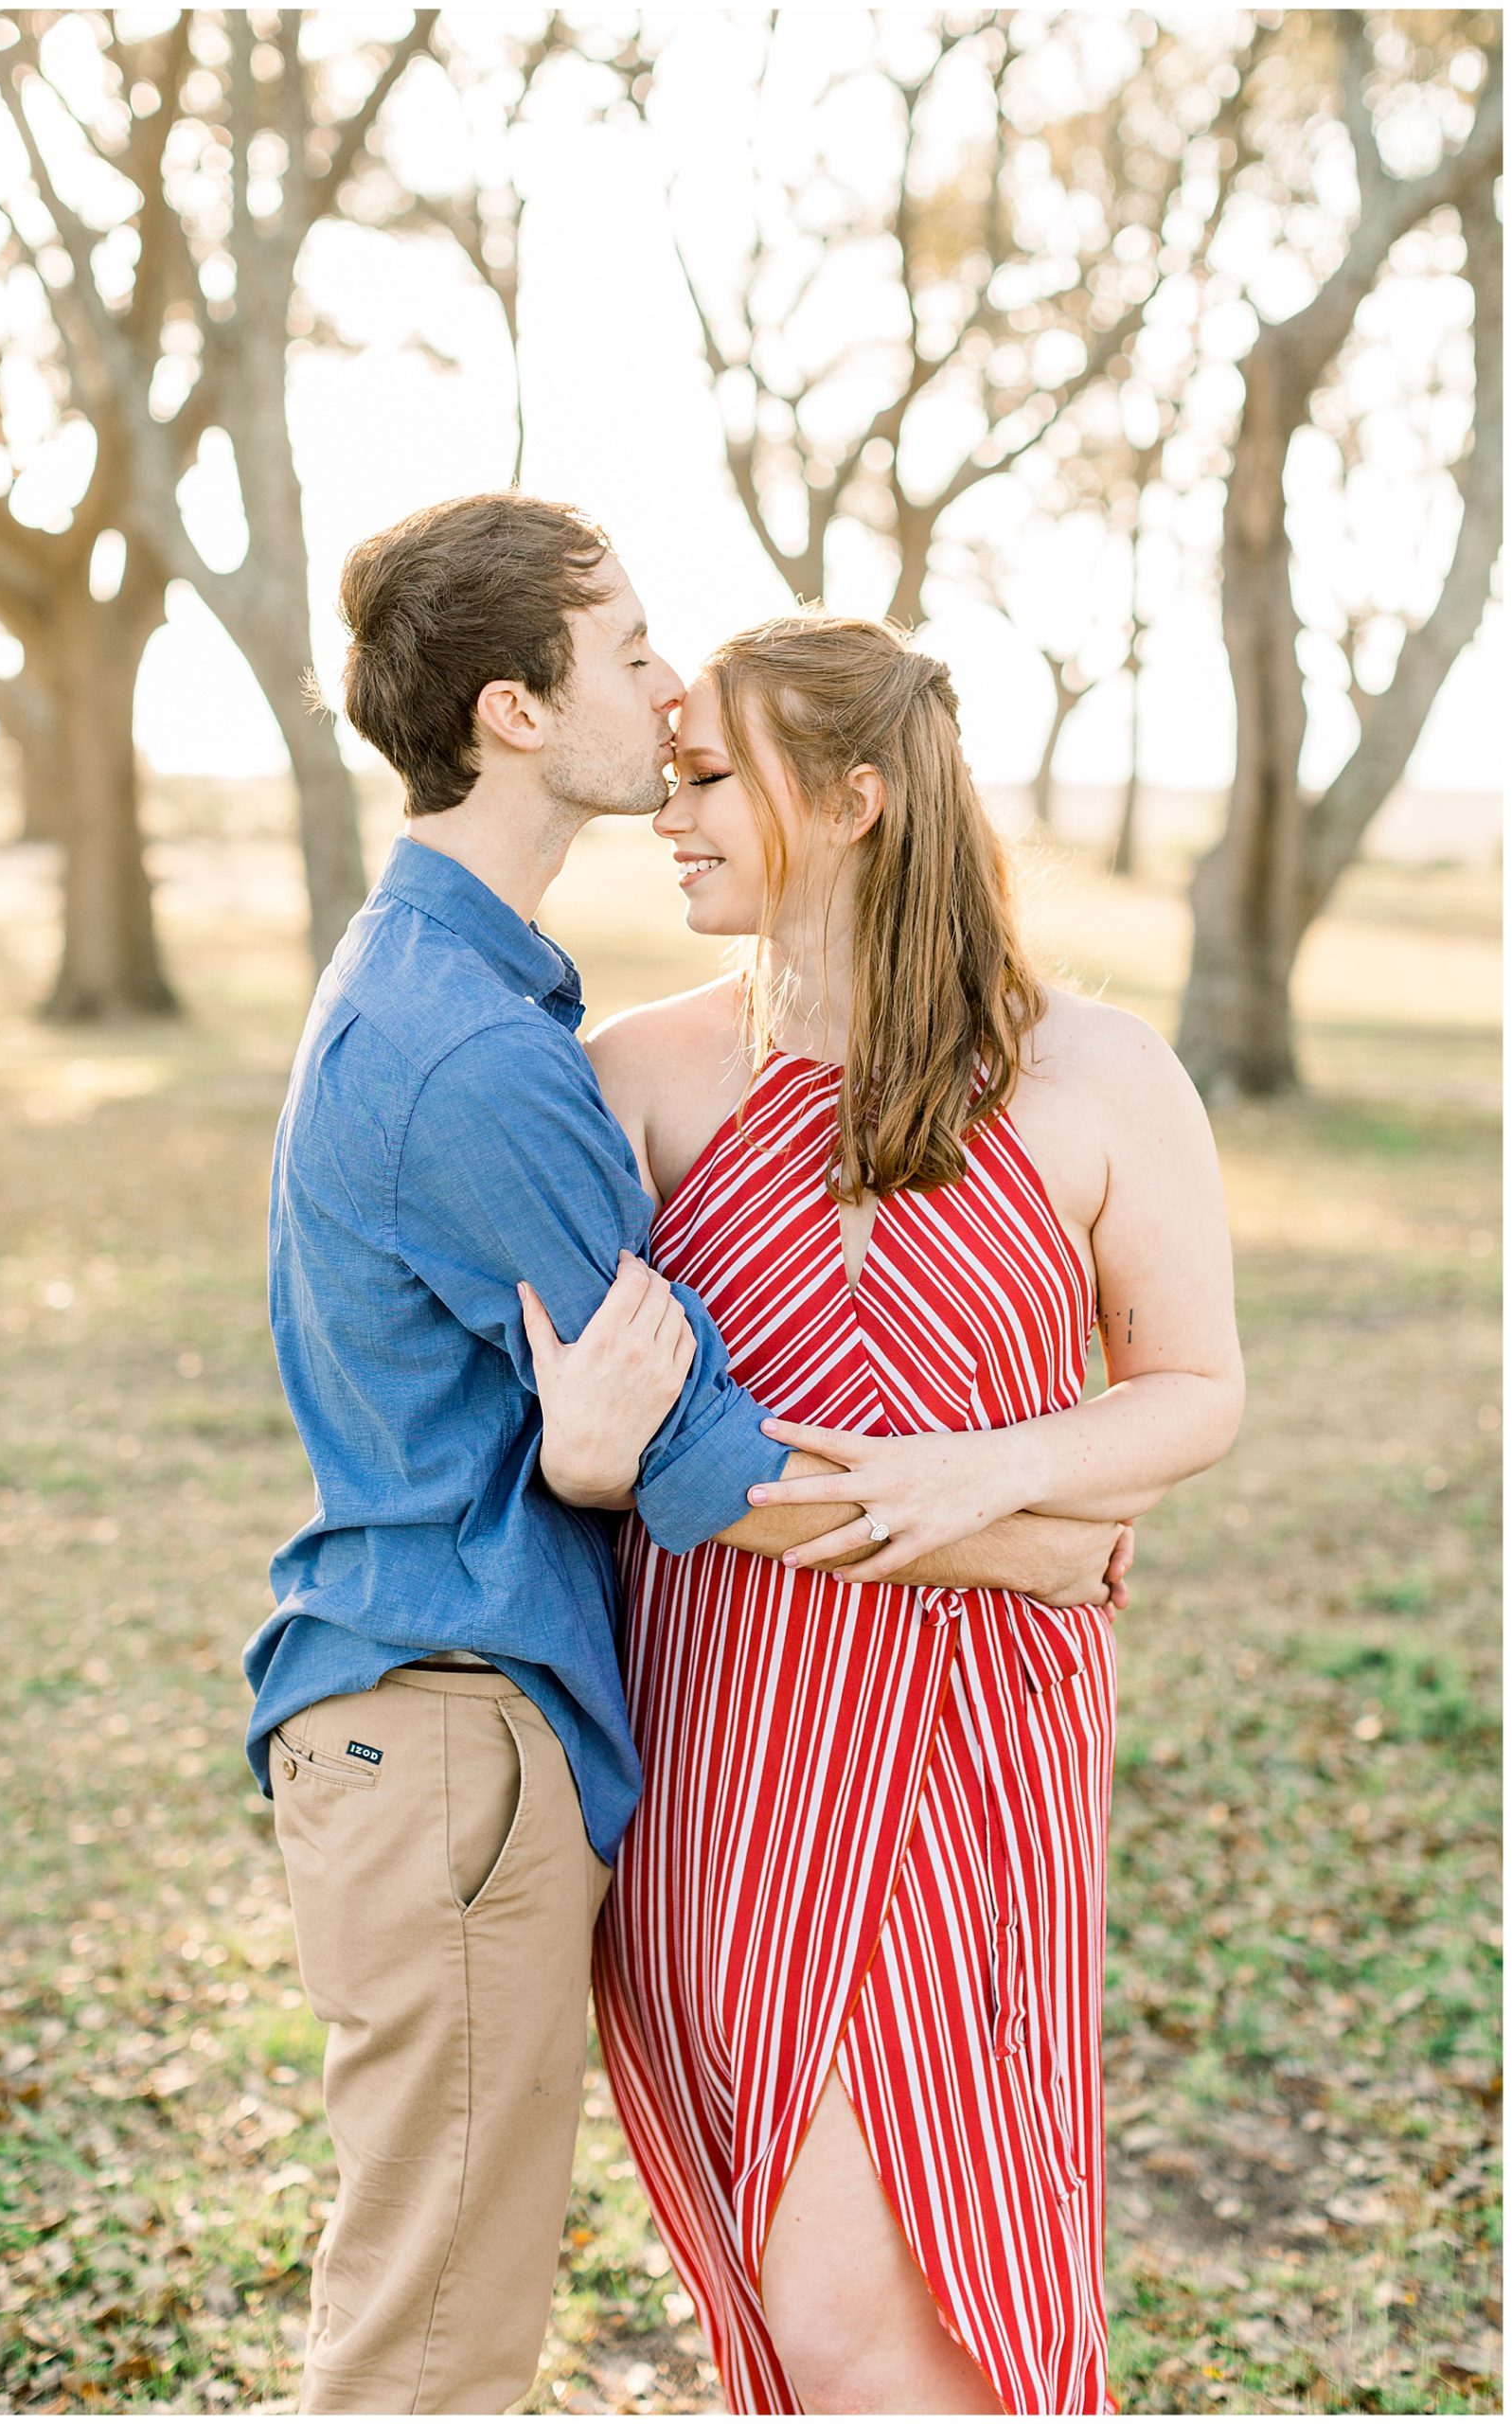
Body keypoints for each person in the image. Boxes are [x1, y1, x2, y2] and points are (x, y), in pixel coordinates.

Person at [242, 495, 1135, 2415]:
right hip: (449, 1718)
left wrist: (598, 1455)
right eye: (631, 650)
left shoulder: (466, 986)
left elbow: (625, 1434)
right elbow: (696, 1454)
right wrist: (1034, 1538)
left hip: (463, 1716)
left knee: (447, 2318)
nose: (661, 697)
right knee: (430, 2349)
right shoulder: (482, 1049)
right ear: (509, 710)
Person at [521, 614, 1245, 2415]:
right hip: (725, 1741)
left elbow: (1193, 1389)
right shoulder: (637, 1078)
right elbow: (567, 1417)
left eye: (707, 781)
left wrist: (988, 1473)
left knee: (920, 2288)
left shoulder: (1097, 1074)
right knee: (807, 2307)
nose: (664, 815)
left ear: (852, 800)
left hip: (985, 1761)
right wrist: (591, 1464)